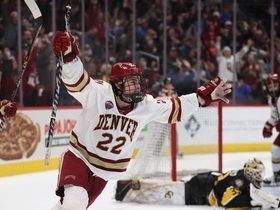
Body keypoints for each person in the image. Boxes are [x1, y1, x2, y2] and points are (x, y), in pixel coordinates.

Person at [50, 31, 232, 210]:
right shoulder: (98, 93)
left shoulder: (145, 106)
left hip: (104, 171)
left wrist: (201, 98)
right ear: (118, 84)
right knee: (76, 201)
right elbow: (77, 82)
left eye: (138, 81)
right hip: (79, 156)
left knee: (72, 206)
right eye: (131, 82)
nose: (137, 85)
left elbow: (173, 107)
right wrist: (69, 57)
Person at [115, 158, 280, 209]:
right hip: (196, 191)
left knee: (167, 192)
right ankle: (126, 189)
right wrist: (253, 203)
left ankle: (129, 187)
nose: (260, 176)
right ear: (250, 172)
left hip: (200, 185)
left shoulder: (241, 177)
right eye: (258, 173)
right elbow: (227, 202)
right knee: (164, 195)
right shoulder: (239, 180)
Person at [262, 73, 280, 185]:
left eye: (275, 85)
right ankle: (277, 176)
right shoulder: (273, 100)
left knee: (276, 149)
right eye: (270, 86)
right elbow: (274, 117)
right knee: (275, 150)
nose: (272, 88)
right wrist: (267, 126)